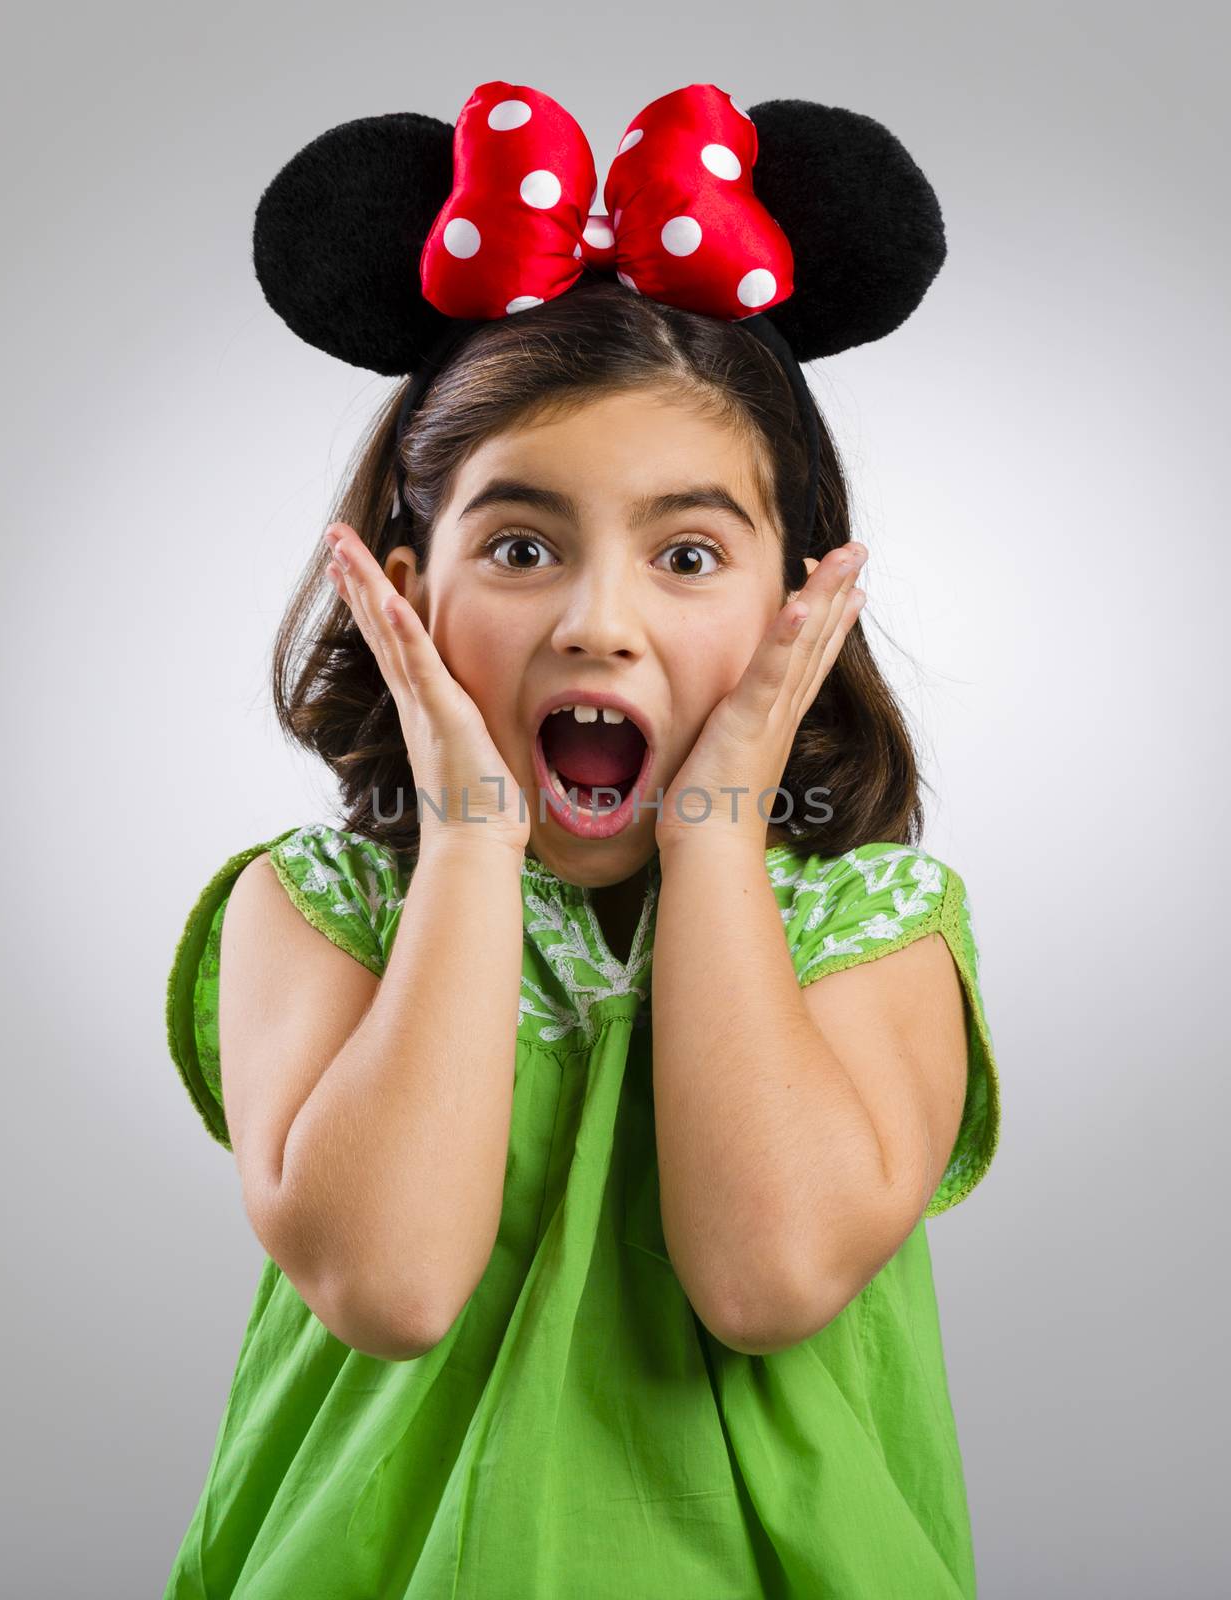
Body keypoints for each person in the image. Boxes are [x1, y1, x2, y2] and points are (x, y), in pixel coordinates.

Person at [163, 81, 1002, 1598]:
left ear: (796, 599)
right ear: (407, 591)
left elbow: (766, 1283)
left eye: (688, 553)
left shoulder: (879, 925)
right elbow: (395, 1286)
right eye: (522, 547)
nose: (597, 623)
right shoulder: (312, 913)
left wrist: (720, 846)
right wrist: (473, 844)